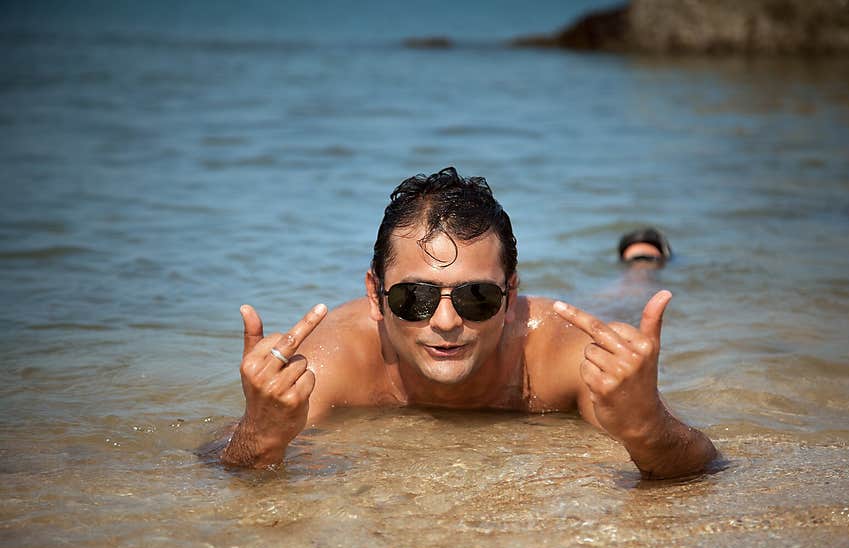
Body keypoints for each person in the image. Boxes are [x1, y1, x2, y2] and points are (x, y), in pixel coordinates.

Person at [219, 167, 717, 479]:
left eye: (477, 297)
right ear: (375, 295)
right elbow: (225, 461)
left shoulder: (562, 352)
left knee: (624, 296)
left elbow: (697, 462)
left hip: (553, 318)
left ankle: (642, 261)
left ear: (511, 293)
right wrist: (260, 433)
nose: (445, 321)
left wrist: (648, 427)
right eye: (413, 297)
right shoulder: (334, 361)